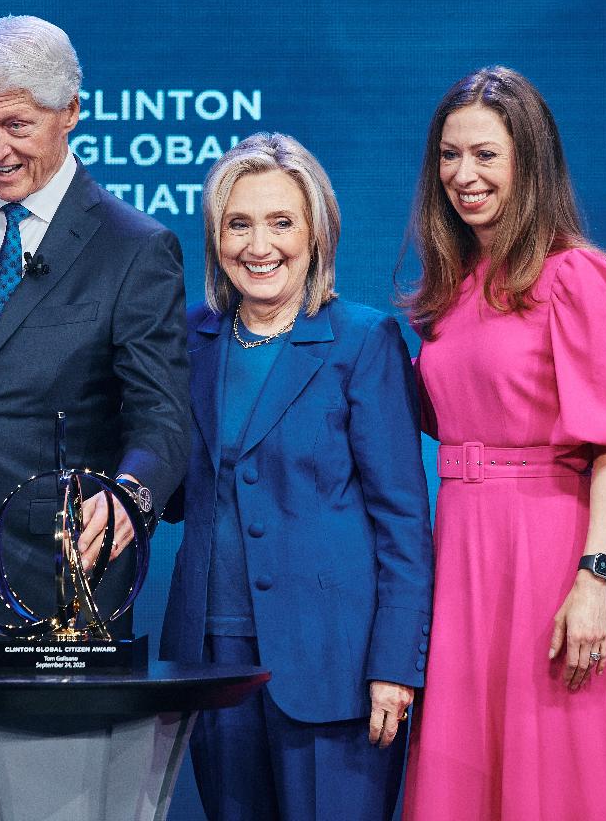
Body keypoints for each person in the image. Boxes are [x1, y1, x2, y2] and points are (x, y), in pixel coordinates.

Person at [0, 15, 189, 819]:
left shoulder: (133, 247)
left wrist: (129, 493)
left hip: (45, 599)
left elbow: (161, 420)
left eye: (17, 124)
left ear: (70, 112)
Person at [399, 67, 606, 820]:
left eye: (486, 155)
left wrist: (594, 578)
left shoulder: (575, 277)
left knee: (560, 778)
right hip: (464, 553)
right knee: (466, 777)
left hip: (555, 554)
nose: (463, 175)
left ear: (529, 161)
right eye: (449, 155)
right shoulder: (453, 290)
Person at [158, 133, 434, 821]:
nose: (260, 245)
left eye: (282, 222)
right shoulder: (188, 341)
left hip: (334, 666)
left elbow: (403, 521)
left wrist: (396, 664)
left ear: (317, 234)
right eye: (239, 223)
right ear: (216, 237)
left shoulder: (363, 341)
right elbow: (165, 491)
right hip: (211, 662)